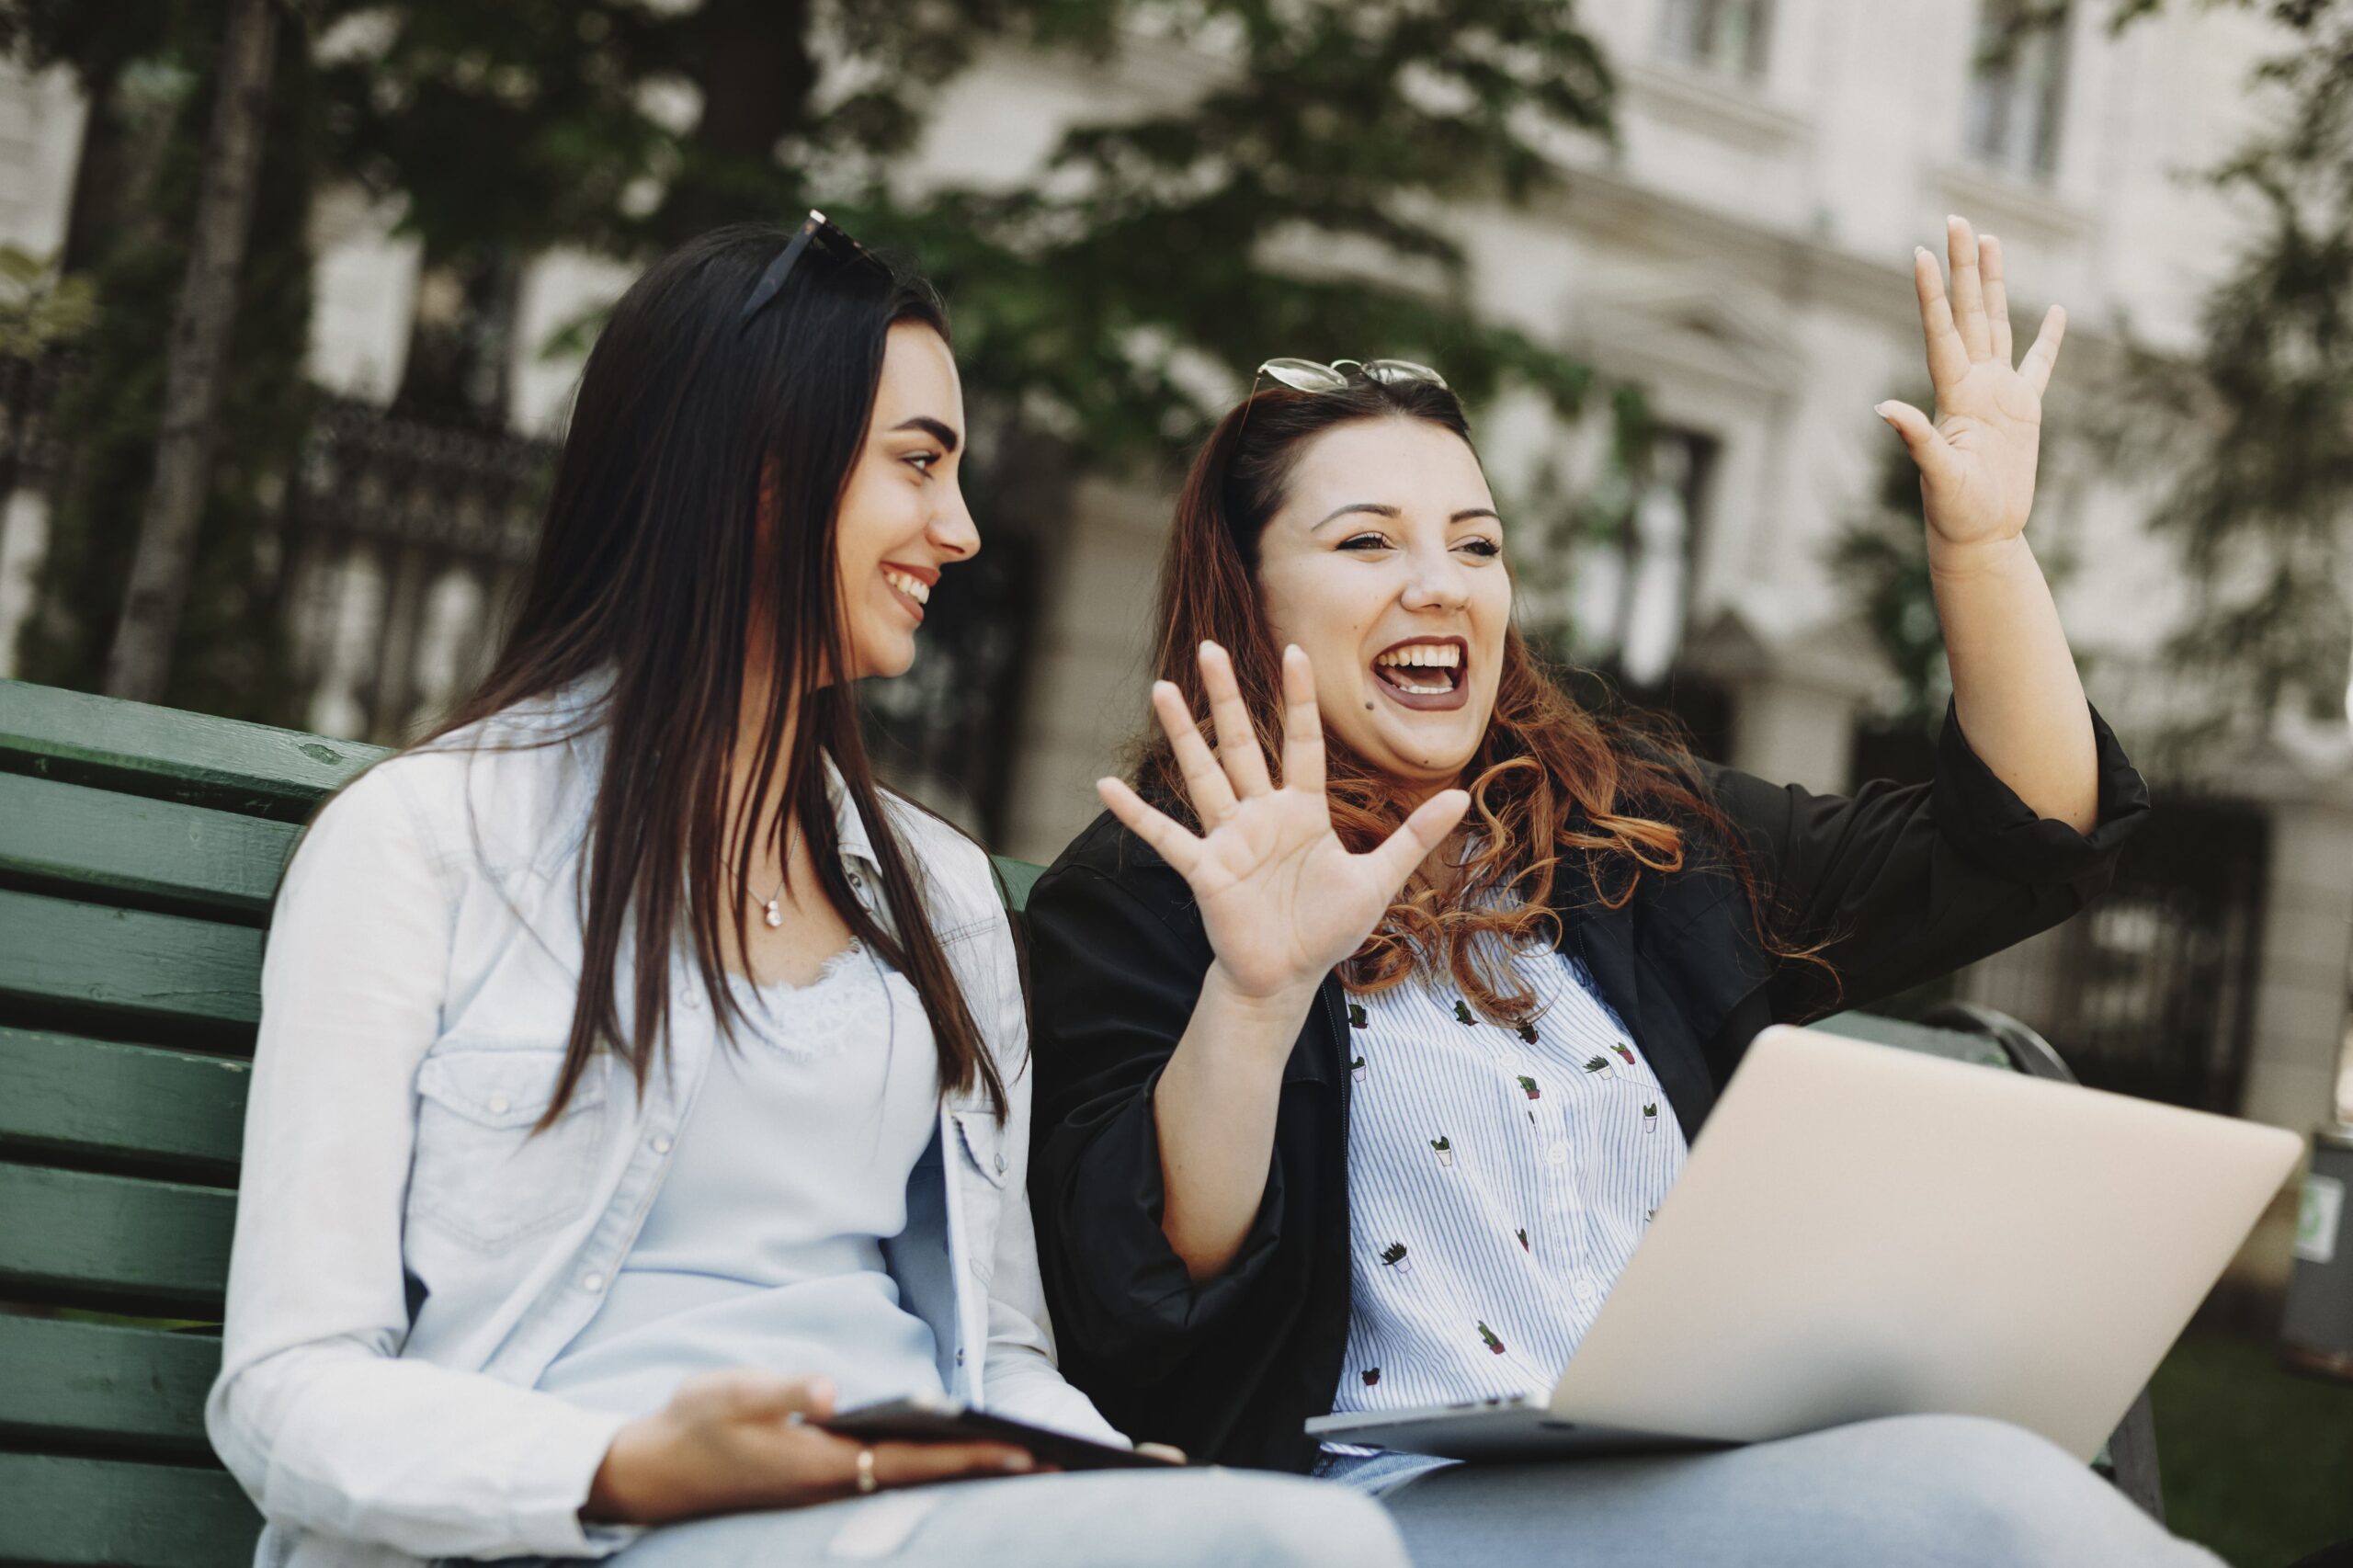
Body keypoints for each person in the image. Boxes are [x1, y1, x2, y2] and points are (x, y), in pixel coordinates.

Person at [206, 217, 1408, 1568]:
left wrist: (1098, 1479)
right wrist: (631, 1467)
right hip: (582, 1529)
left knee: (1300, 1543)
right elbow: (286, 1389)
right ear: (756, 470)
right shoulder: (420, 846)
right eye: (918, 465)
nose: (957, 530)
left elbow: (999, 1349)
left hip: (900, 1518)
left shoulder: (940, 895)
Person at [1023, 217, 2220, 1566]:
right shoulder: (1146, 891)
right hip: (1376, 1515)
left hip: (1696, 1487)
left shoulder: (1625, 836)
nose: (1441, 584)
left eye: (1476, 546)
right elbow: (1140, 1295)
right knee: (1984, 1501)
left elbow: (2026, 834)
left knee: (1986, 1478)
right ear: (1246, 594)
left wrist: (1985, 545)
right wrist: (1255, 992)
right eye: (1368, 543)